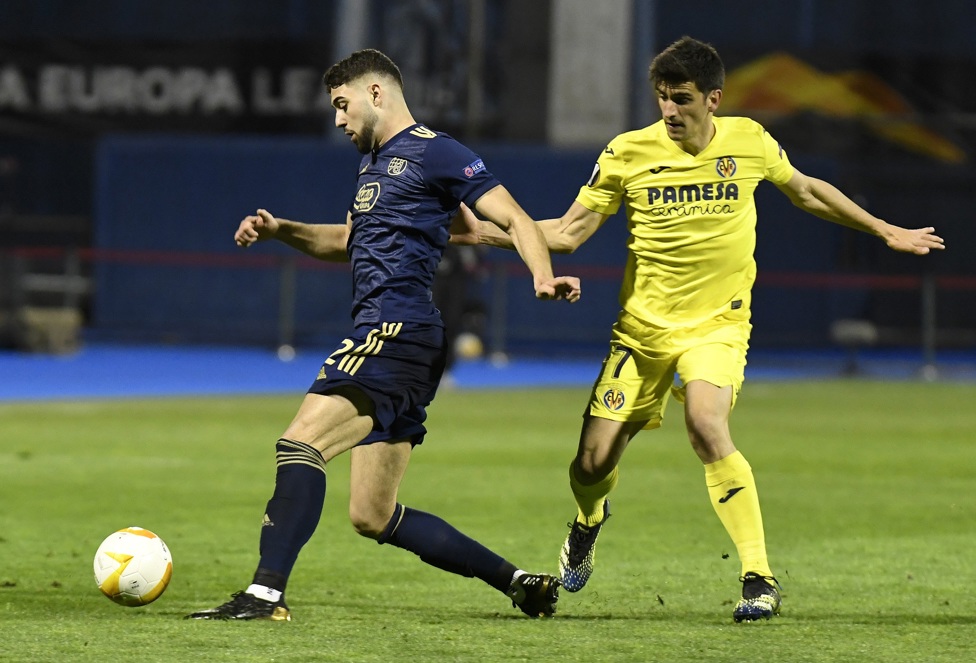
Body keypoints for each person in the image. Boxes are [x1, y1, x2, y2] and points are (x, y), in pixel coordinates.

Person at [451, 36, 944, 622]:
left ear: (714, 99)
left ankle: (758, 577)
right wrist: (485, 233)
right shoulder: (626, 153)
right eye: (661, 97)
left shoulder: (750, 140)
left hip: (717, 326)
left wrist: (884, 228)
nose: (668, 110)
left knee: (707, 425)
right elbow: (566, 233)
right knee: (590, 464)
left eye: (681, 98)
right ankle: (588, 520)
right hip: (641, 334)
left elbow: (807, 190)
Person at [186, 48, 580, 621]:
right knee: (374, 514)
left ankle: (264, 594)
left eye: (342, 105)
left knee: (300, 444)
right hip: (409, 343)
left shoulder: (438, 152)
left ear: (377, 93)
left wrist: (542, 277)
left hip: (396, 330)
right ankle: (517, 582)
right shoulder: (371, 166)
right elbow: (344, 241)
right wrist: (281, 230)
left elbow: (513, 219)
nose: (338, 120)